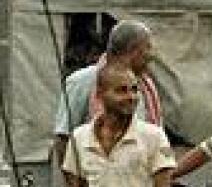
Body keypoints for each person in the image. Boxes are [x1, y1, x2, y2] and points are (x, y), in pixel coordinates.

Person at [54, 20, 161, 166]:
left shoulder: (144, 88)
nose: (151, 55)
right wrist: (74, 184)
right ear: (132, 50)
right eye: (147, 47)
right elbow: (63, 138)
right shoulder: (82, 81)